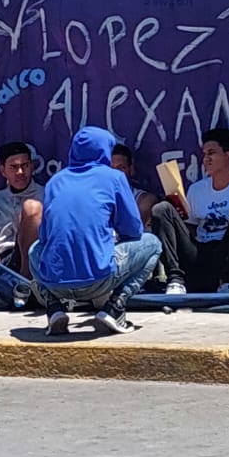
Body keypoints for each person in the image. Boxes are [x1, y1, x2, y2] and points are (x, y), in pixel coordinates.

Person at [30, 126, 162, 336]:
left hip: (55, 282)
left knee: (34, 250)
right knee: (153, 243)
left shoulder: (55, 181)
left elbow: (44, 237)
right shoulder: (114, 178)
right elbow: (133, 230)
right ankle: (115, 307)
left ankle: (54, 308)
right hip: (99, 278)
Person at [149, 127, 229, 295]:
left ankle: (228, 283)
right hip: (200, 257)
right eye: (204, 154)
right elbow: (192, 230)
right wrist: (176, 218)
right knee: (161, 209)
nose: (206, 159)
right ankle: (175, 280)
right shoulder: (196, 189)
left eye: (211, 153)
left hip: (227, 259)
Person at [0, 141, 43, 275]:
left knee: (31, 210)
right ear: (3, 171)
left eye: (25, 166)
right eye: (13, 167)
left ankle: (25, 282)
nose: (20, 172)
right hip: (3, 260)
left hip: (35, 260)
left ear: (32, 167)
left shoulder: (45, 195)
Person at [109, 142, 159, 225]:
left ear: (131, 169)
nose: (115, 174)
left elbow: (133, 228)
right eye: (110, 169)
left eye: (121, 168)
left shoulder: (144, 199)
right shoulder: (93, 197)